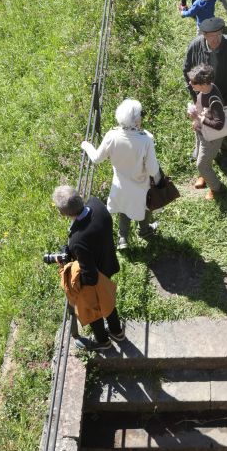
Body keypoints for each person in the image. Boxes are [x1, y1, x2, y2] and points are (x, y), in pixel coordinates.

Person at [81, 99, 161, 251]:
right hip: (140, 185)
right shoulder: (145, 140)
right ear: (136, 120)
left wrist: (87, 146)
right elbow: (152, 169)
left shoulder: (112, 135)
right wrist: (159, 180)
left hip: (120, 184)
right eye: (141, 115)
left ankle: (123, 238)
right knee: (144, 207)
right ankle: (145, 230)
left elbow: (97, 158)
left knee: (124, 208)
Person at [52, 185, 125, 350]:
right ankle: (117, 332)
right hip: (108, 264)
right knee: (108, 301)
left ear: (63, 213)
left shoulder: (78, 239)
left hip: (95, 275)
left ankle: (103, 342)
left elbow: (90, 277)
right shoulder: (97, 205)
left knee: (92, 307)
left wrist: (68, 266)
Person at [183, 16, 227, 156]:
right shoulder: (195, 45)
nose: (215, 40)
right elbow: (186, 69)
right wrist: (194, 92)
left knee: (225, 122)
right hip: (202, 95)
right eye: (211, 36)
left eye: (218, 35)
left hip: (224, 95)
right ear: (204, 35)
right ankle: (203, 147)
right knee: (201, 121)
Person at [187, 64, 226, 199]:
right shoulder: (205, 90)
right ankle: (204, 176)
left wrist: (198, 118)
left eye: (193, 82)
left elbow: (219, 124)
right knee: (198, 155)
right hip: (201, 132)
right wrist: (196, 120)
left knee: (202, 164)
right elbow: (203, 109)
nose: (190, 84)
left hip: (211, 138)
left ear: (203, 83)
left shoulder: (213, 99)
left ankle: (216, 188)